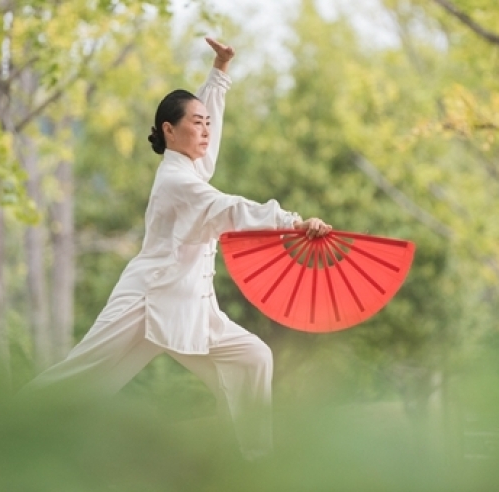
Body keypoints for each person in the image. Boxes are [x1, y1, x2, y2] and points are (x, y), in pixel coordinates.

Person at [20, 37, 332, 460]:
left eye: (206, 124)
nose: (205, 130)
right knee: (83, 376)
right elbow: (228, 208)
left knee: (253, 358)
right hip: (148, 300)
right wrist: (292, 222)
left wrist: (219, 71)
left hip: (192, 309)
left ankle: (252, 464)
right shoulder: (177, 181)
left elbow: (211, 123)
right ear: (169, 130)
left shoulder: (192, 166)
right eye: (195, 124)